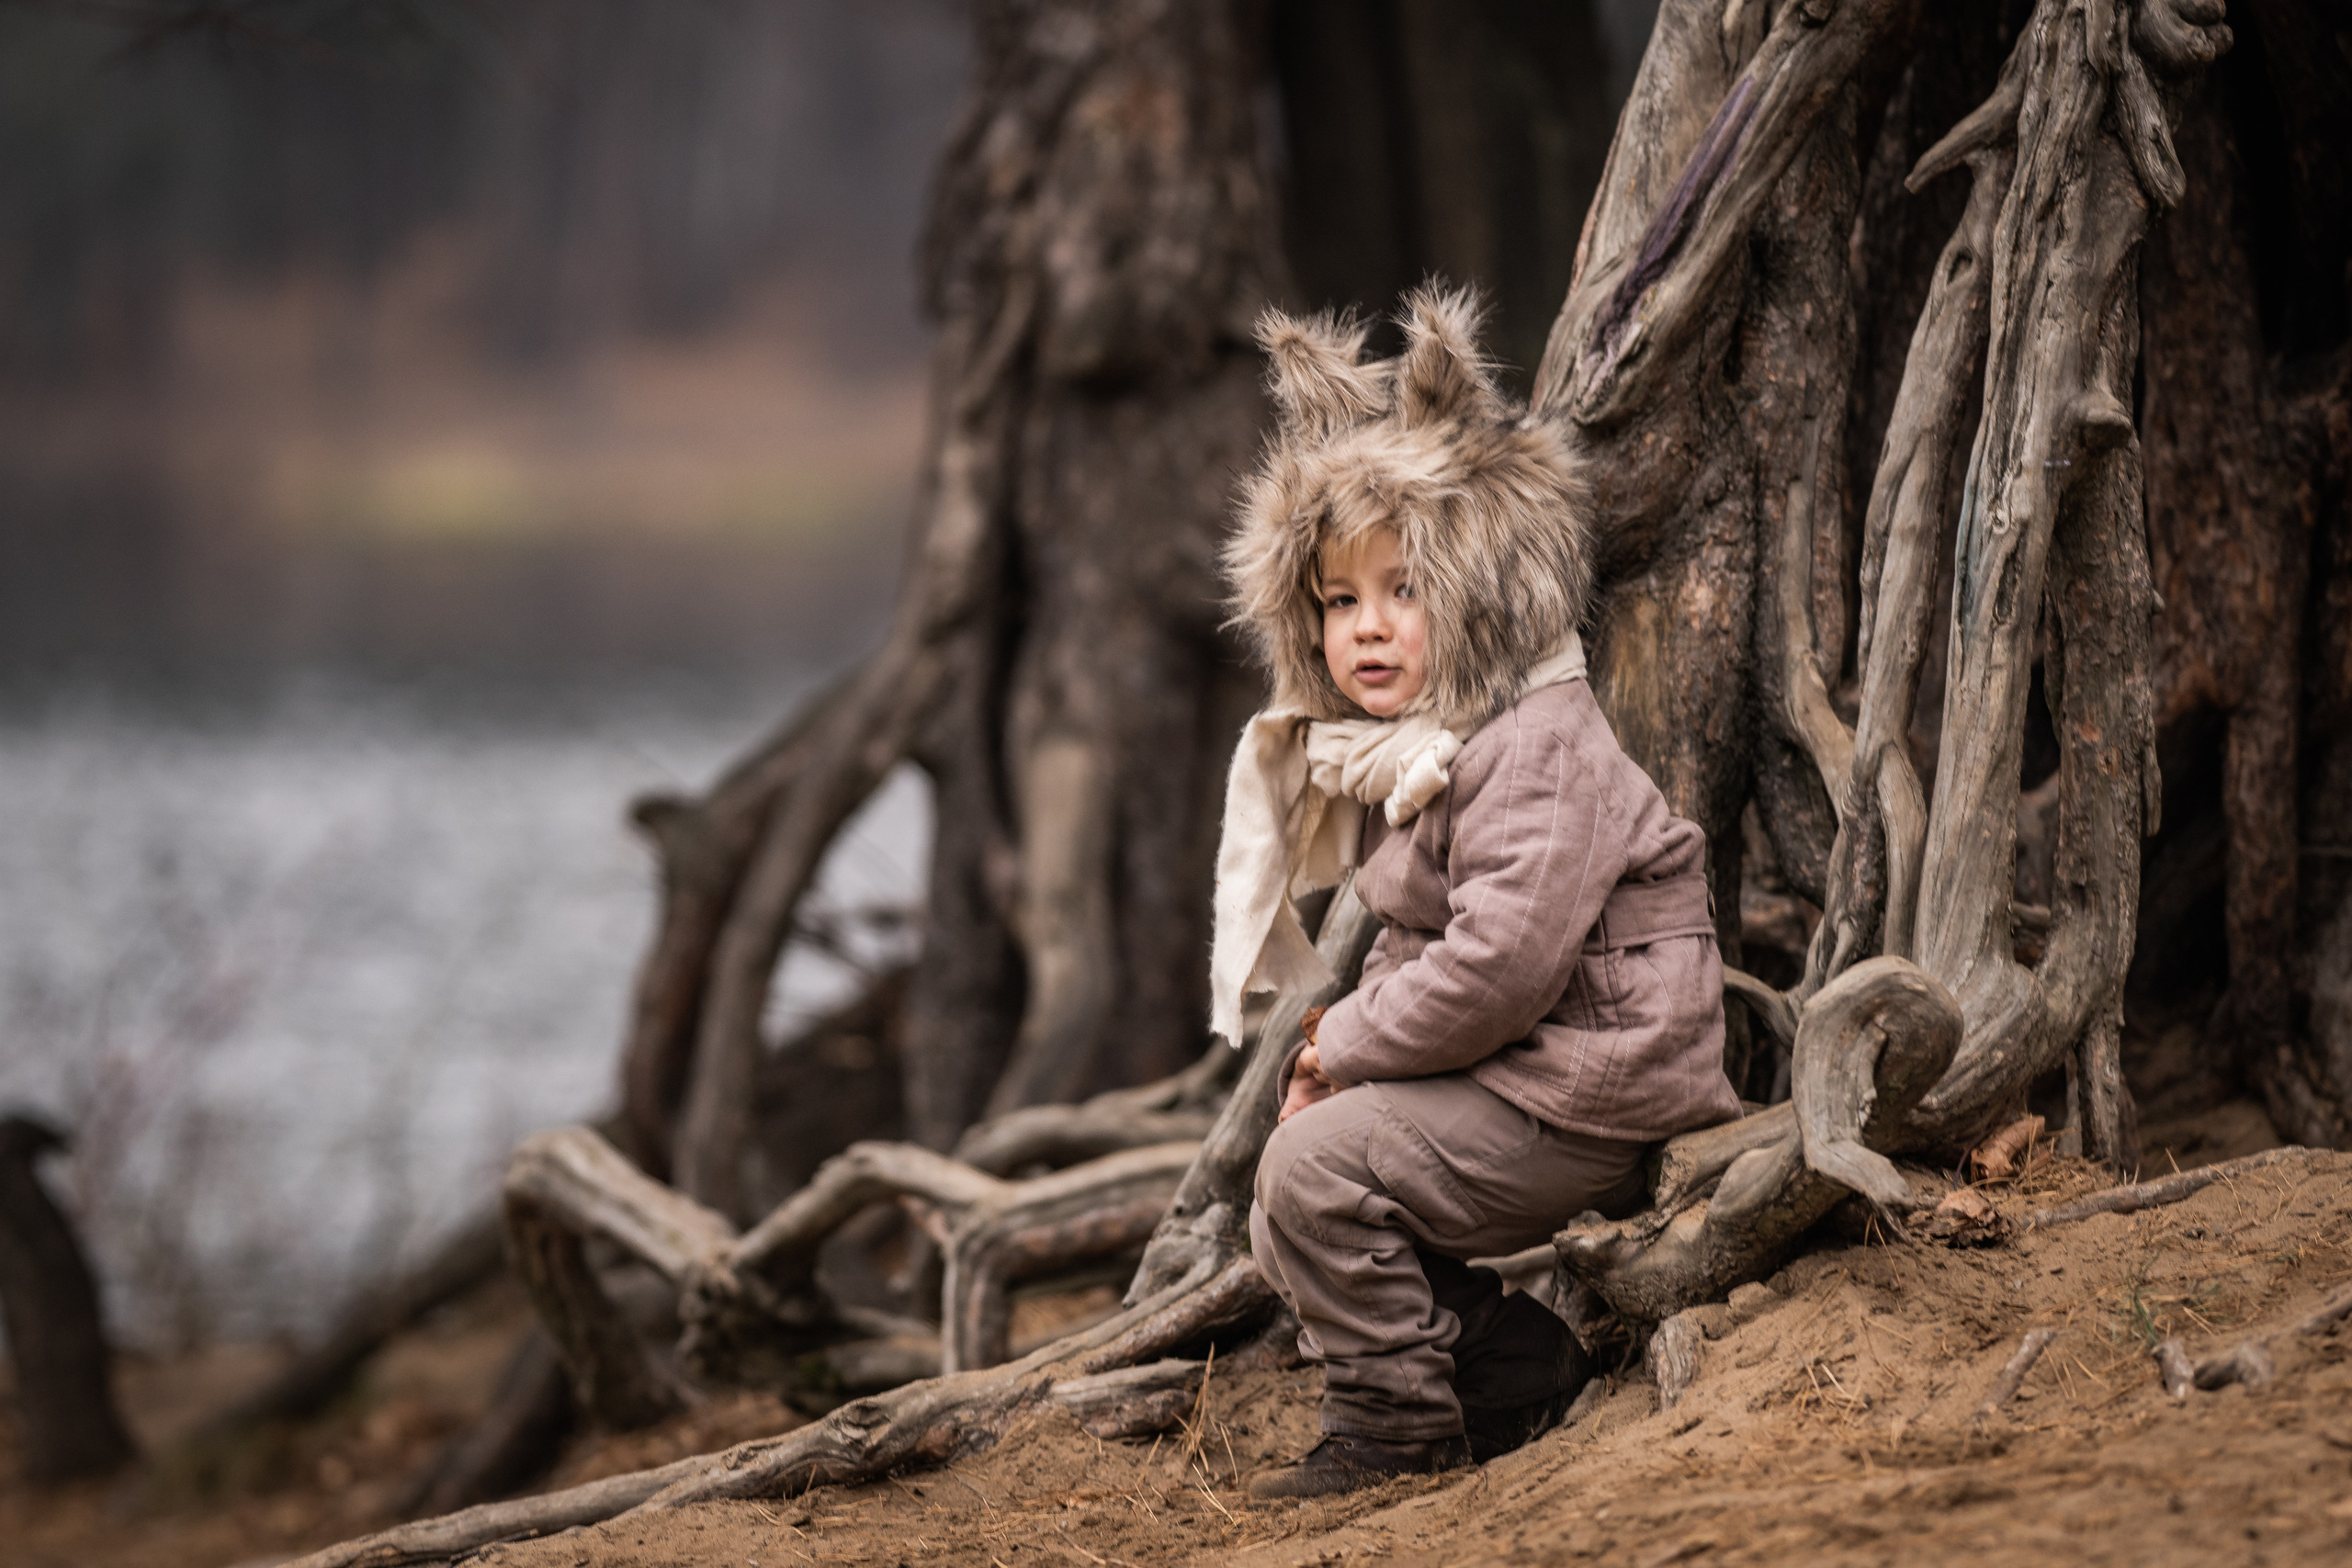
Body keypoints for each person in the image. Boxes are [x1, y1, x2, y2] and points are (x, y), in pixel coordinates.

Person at [1210, 286, 1741, 1501]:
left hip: (1595, 1083)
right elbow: (1421, 947)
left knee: (1311, 1176)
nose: (1370, 630)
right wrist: (1329, 1066)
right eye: (1340, 602)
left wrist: (1342, 1042)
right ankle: (1505, 1368)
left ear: (1487, 586)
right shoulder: (1432, 754)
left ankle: (1398, 1421)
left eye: (1407, 589)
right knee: (1292, 1186)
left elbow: (1501, 964)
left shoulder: (1536, 745)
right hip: (1525, 1072)